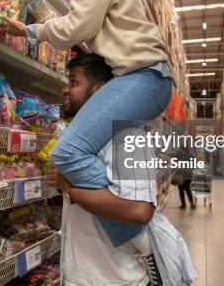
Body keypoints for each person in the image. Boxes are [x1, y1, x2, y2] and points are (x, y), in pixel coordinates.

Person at [0, 0, 172, 247]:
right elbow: (77, 26)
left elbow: (78, 27)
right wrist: (35, 1)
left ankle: (138, 231)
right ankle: (133, 226)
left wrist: (31, 31)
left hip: (144, 76)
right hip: (143, 78)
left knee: (66, 154)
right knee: (73, 153)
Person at [49, 53, 197, 286]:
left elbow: (139, 211)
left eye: (74, 82)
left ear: (100, 92)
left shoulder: (128, 137)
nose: (65, 90)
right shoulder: (76, 140)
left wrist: (70, 190)